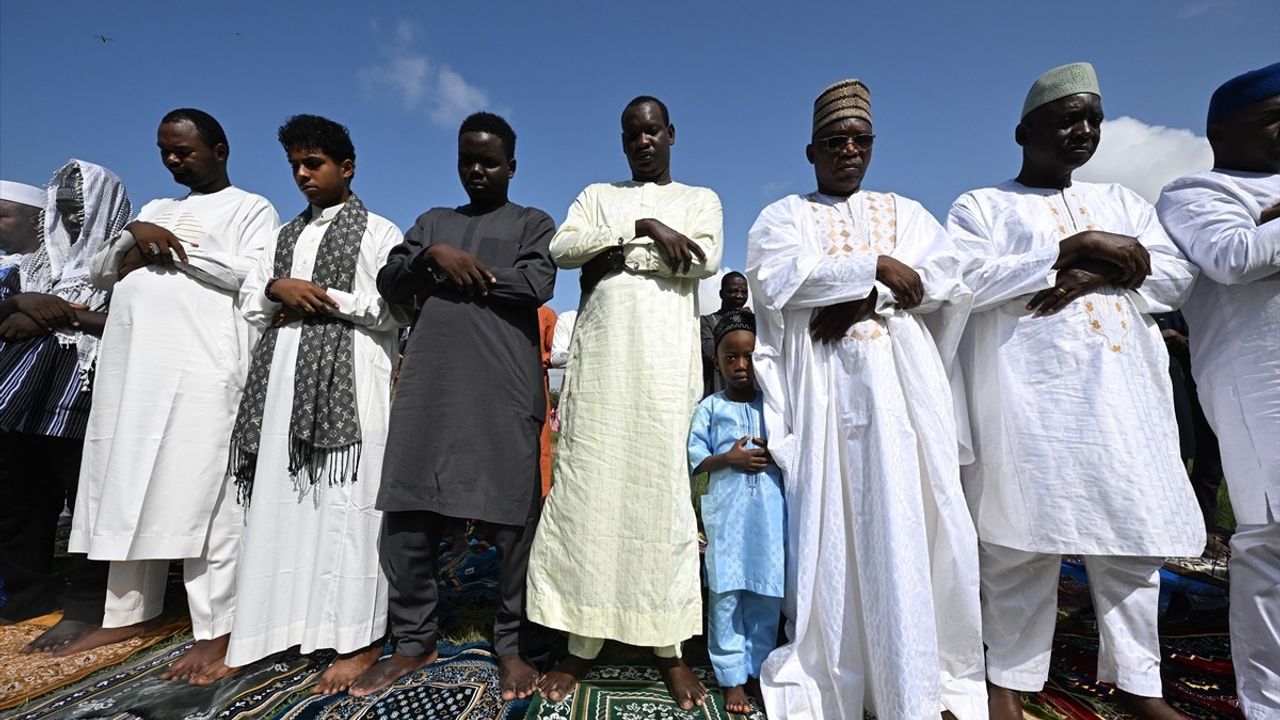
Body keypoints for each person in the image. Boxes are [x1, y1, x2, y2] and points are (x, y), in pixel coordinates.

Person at [946, 63, 1202, 720]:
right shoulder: (981, 206)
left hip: (1122, 400)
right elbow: (966, 281)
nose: (1084, 130)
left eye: (1093, 119)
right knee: (1019, 541)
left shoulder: (1124, 202)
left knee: (1132, 542)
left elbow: (1173, 276)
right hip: (1029, 399)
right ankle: (1007, 681)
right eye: (1067, 120)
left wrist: (1096, 273)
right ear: (1023, 132)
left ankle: (1140, 686)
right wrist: (1074, 248)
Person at [746, 78, 986, 720]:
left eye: (860, 140)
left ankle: (914, 679)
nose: (848, 150)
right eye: (834, 141)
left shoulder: (906, 211)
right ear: (811, 151)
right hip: (824, 393)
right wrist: (876, 268)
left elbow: (942, 279)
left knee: (911, 518)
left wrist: (860, 295)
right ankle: (841, 673)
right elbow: (777, 280)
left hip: (903, 391)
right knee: (834, 524)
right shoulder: (783, 216)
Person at [68, 108, 280, 684]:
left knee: (206, 491)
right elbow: (101, 272)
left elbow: (253, 276)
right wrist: (136, 235)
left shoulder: (251, 207)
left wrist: (168, 249)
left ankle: (218, 628)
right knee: (128, 481)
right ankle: (128, 613)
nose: (172, 160)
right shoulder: (156, 208)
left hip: (202, 366)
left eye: (183, 150)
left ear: (219, 150)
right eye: (164, 151)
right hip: (134, 369)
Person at [527, 95, 723, 711]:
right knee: (591, 491)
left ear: (671, 134)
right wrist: (643, 229)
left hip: (664, 366)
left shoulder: (701, 199)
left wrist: (614, 256)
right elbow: (564, 249)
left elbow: (703, 259)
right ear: (623, 140)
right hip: (603, 363)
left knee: (660, 495)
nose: (642, 141)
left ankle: (669, 646)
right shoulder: (597, 194)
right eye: (632, 133)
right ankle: (581, 641)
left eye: (652, 131)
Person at [351, 112, 555, 702]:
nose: (476, 170)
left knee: (512, 520)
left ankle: (511, 644)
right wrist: (432, 256)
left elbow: (536, 283)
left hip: (503, 389)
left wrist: (463, 270)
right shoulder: (433, 222)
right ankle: (415, 640)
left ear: (511, 167)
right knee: (408, 513)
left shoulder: (532, 222)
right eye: (467, 160)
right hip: (431, 390)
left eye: (489, 161)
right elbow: (392, 281)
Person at [222, 114, 406, 694]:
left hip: (352, 380)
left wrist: (320, 298)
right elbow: (252, 302)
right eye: (295, 166)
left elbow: (393, 310)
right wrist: (276, 287)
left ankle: (358, 636)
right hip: (282, 380)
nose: (302, 175)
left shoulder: (379, 231)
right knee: (285, 502)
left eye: (314, 163)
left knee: (347, 506)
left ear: (346, 167)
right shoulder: (283, 235)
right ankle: (282, 625)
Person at [1155, 61, 1280, 718]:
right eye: (1273, 119)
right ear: (1222, 133)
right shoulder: (1197, 191)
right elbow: (1236, 258)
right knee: (1271, 545)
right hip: (1259, 392)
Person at [0, 162, 129, 655]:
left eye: (81, 208)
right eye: (64, 208)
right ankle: (28, 596)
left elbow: (135, 321)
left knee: (88, 505)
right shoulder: (34, 264)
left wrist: (60, 316)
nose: (72, 217)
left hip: (83, 394)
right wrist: (22, 304)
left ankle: (87, 605)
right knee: (19, 499)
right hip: (20, 396)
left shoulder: (123, 262)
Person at [687, 310, 784, 716]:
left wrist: (775, 452)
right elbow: (696, 458)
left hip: (768, 520)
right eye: (731, 357)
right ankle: (731, 678)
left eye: (748, 356)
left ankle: (759, 671)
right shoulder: (710, 408)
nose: (741, 365)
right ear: (718, 361)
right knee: (725, 595)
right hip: (727, 519)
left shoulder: (775, 406)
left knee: (766, 593)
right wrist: (729, 458)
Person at [700, 272, 749, 397]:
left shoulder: (750, 322)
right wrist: (733, 320)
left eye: (744, 292)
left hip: (747, 396)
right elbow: (710, 351)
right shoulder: (707, 321)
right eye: (733, 291)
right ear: (721, 294)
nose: (739, 296)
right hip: (717, 395)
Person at [537, 304, 558, 499]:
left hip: (536, 377)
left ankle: (541, 499)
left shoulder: (546, 314)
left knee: (542, 444)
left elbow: (556, 352)